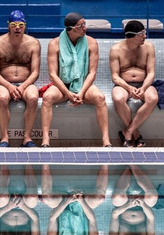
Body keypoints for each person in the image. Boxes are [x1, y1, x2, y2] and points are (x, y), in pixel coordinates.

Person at [41, 12, 111, 147]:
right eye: (81, 25)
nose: (85, 27)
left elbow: (92, 73)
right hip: (62, 85)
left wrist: (80, 93)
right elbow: (53, 75)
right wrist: (68, 94)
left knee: (100, 98)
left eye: (85, 24)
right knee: (47, 98)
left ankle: (106, 140)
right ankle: (45, 140)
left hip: (83, 84)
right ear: (72, 29)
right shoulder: (54, 44)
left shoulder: (91, 43)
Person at [0, 10, 41, 148]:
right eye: (13, 24)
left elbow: (35, 72)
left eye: (20, 24)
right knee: (2, 98)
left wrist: (22, 87)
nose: (17, 28)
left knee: (33, 98)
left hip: (26, 83)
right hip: (4, 83)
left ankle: (27, 138)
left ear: (25, 25)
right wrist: (10, 87)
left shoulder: (33, 43)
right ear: (8, 26)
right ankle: (4, 138)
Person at [109, 20, 158, 147]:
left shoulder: (149, 47)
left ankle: (128, 132)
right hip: (123, 85)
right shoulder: (116, 49)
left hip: (144, 83)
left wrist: (143, 88)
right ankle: (136, 134)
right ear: (132, 35)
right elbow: (115, 77)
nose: (145, 36)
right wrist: (129, 88)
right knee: (118, 98)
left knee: (153, 98)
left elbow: (151, 73)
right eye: (142, 33)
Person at [41, 164, 108, 235]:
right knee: (100, 198)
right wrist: (81, 201)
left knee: (46, 198)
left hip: (62, 203)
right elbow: (92, 220)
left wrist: (66, 201)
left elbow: (52, 218)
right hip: (84, 204)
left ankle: (45, 162)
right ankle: (105, 163)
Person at [0, 165, 39, 234]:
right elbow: (35, 219)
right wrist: (22, 206)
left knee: (2, 198)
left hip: (5, 206)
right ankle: (29, 165)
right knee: (32, 197)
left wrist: (9, 207)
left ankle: (4, 165)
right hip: (25, 206)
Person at [109, 165, 158, 235]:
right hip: (142, 207)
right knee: (152, 197)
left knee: (117, 197)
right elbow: (151, 218)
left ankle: (128, 168)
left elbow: (114, 215)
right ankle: (133, 166)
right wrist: (143, 205)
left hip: (124, 206)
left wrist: (129, 205)